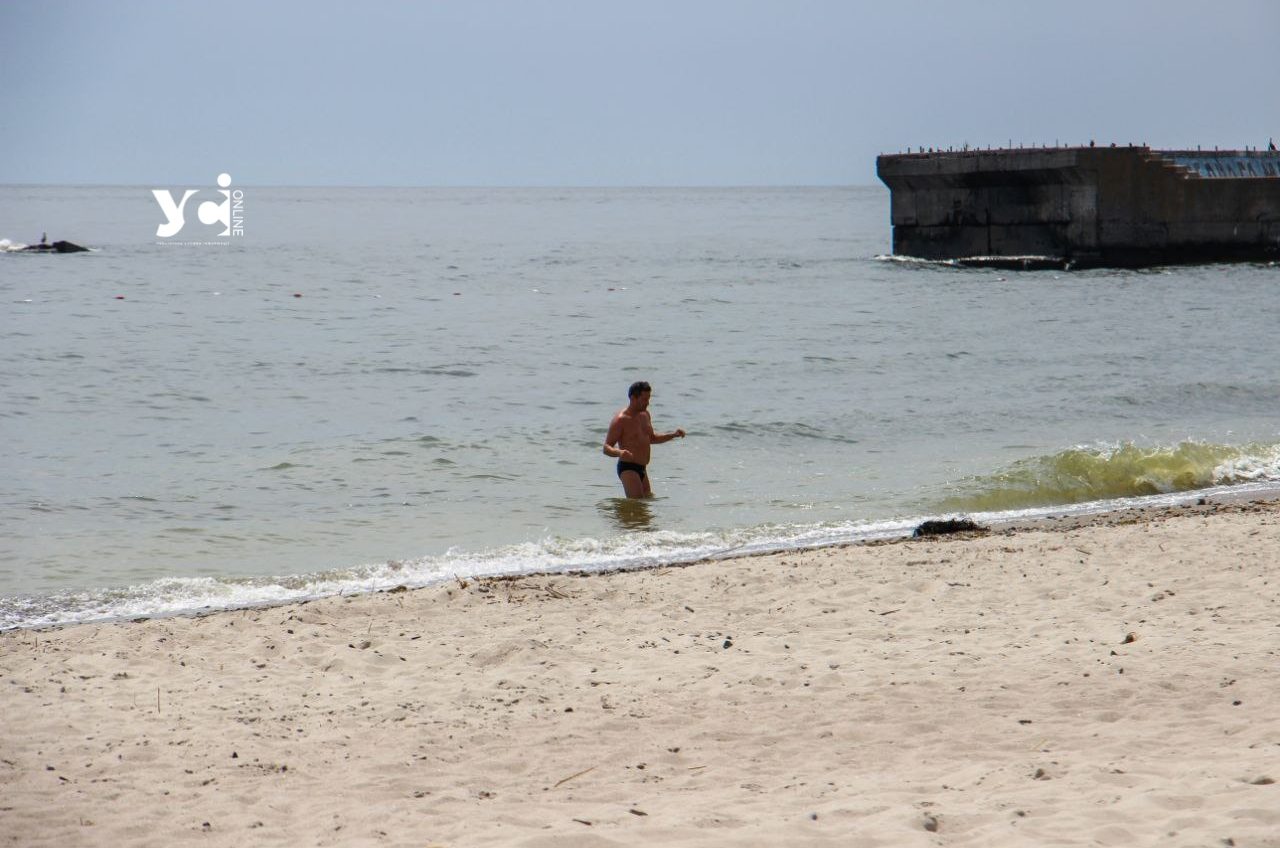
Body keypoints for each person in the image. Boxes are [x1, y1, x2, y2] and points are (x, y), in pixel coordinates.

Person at [602, 380, 685, 498]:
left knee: (645, 505)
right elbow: (606, 447)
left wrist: (673, 435)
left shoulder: (645, 415)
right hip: (628, 468)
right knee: (637, 503)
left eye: (649, 399)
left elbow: (652, 438)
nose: (648, 403)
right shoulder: (621, 420)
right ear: (633, 398)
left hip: (642, 468)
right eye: (644, 399)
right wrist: (619, 452)